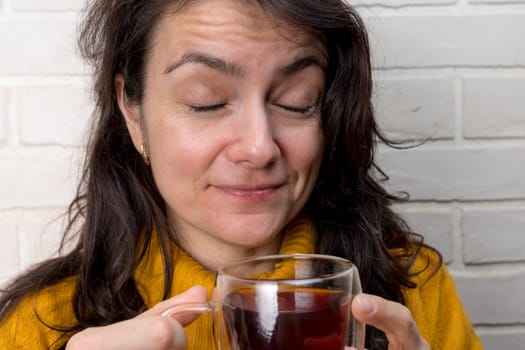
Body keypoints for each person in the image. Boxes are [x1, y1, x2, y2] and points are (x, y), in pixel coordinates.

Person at [0, 0, 482, 349]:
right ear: (132, 110)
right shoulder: (39, 327)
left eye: (297, 101)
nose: (258, 147)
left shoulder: (415, 290)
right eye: (206, 101)